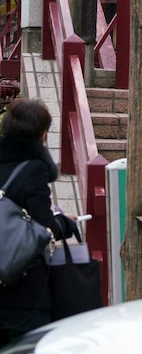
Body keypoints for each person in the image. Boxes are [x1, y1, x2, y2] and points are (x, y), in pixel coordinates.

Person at [0, 98, 79, 347]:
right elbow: (45, 228)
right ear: (42, 134)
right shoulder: (34, 169)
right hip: (21, 288)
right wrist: (65, 222)